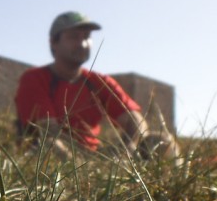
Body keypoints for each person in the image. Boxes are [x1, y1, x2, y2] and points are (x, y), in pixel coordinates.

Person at [15, 11, 177, 158]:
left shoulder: (98, 81)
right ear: (53, 43)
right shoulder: (34, 78)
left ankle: (168, 189)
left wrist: (129, 148)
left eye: (86, 37)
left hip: (94, 157)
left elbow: (135, 120)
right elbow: (46, 131)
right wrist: (78, 164)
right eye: (73, 37)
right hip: (50, 157)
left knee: (162, 141)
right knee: (50, 145)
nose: (83, 43)